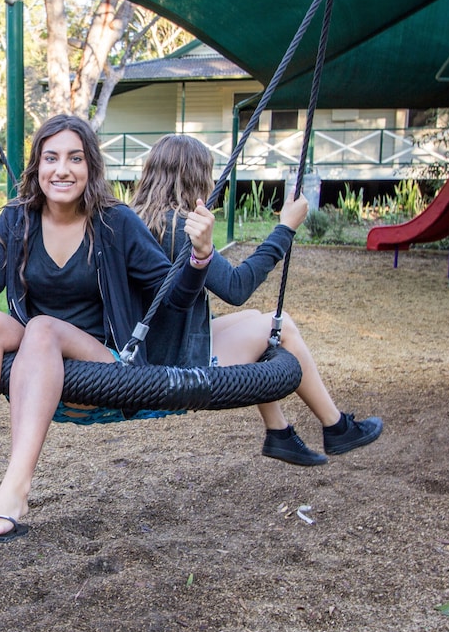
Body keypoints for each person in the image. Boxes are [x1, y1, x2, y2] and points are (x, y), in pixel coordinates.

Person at [0, 114, 214, 542]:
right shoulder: (16, 222)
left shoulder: (116, 223)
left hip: (108, 362)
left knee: (42, 328)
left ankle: (16, 489)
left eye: (75, 158)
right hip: (40, 358)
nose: (62, 169)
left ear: (90, 166)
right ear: (37, 166)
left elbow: (172, 299)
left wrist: (199, 258)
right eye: (51, 158)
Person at [131, 133, 382, 466]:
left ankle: (278, 431)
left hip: (162, 345)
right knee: (282, 327)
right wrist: (285, 229)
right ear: (197, 178)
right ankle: (336, 427)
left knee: (255, 317)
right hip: (177, 363)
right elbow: (236, 287)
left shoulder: (140, 220)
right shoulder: (182, 227)